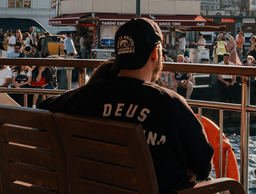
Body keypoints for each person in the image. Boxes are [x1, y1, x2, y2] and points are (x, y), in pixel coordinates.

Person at [39, 18, 214, 191]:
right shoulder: (171, 104)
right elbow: (203, 167)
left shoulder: (87, 95)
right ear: (155, 53)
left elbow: (42, 110)